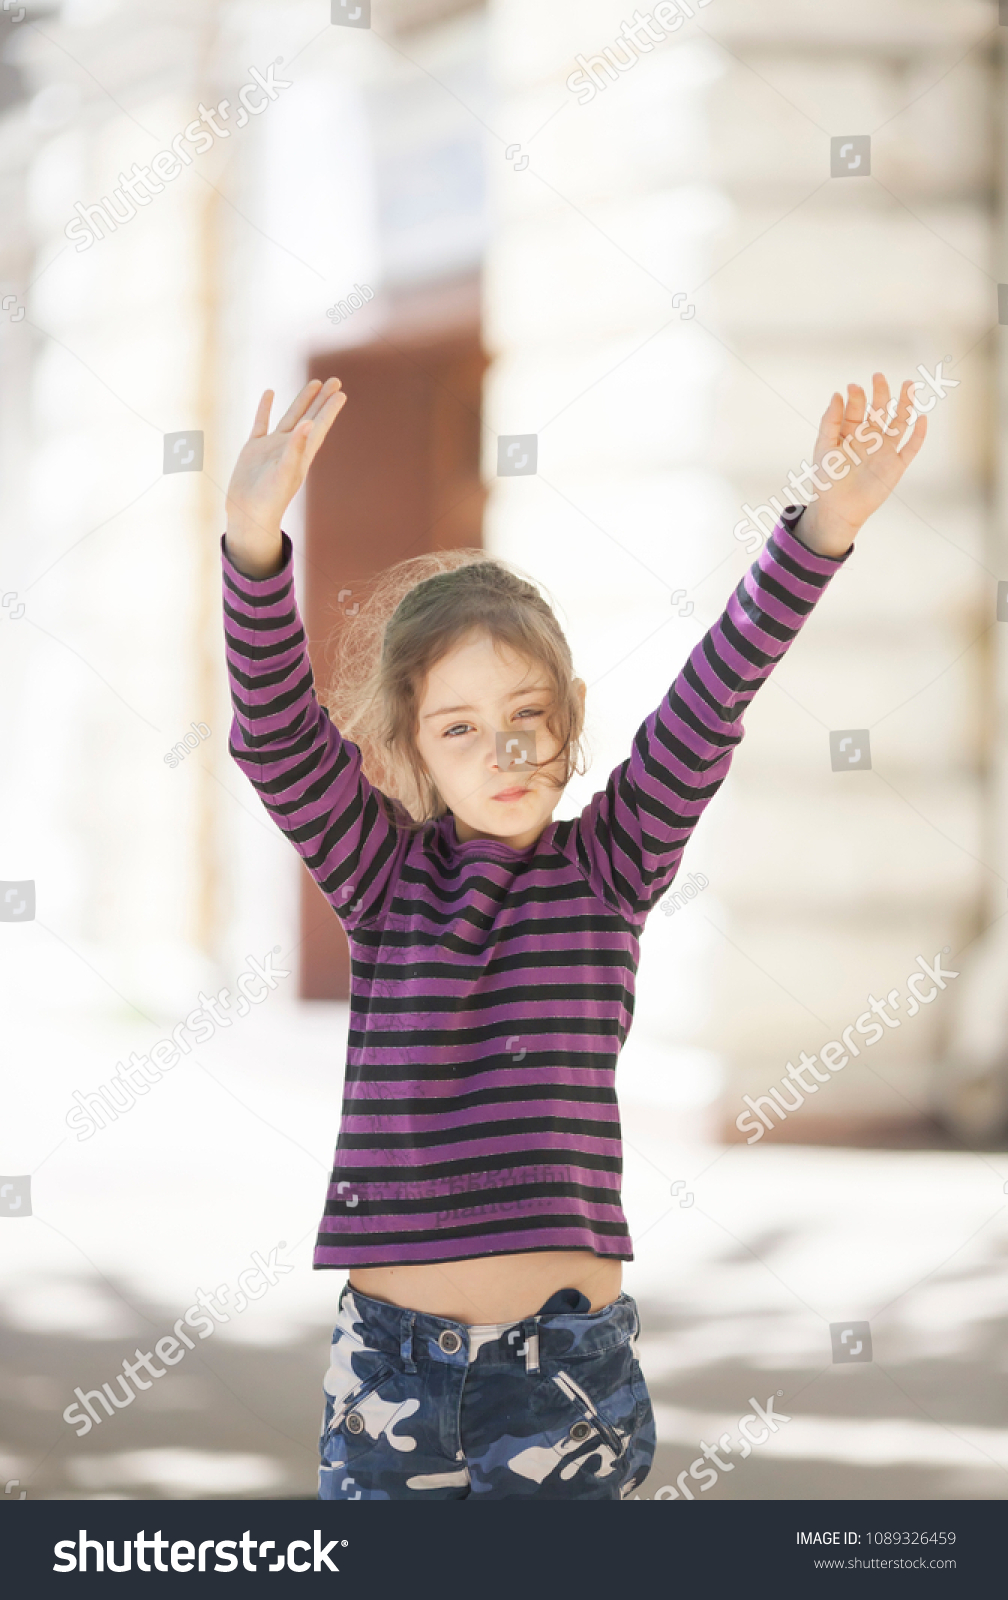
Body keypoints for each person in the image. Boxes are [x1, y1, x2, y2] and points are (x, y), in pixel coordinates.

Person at [221, 372, 927, 1499]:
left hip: (561, 1382)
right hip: (388, 1373)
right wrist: (255, 540)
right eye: (460, 728)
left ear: (569, 718)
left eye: (526, 719)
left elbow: (716, 691)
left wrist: (825, 525)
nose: (501, 753)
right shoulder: (383, 877)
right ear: (412, 747)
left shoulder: (612, 863)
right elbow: (273, 735)